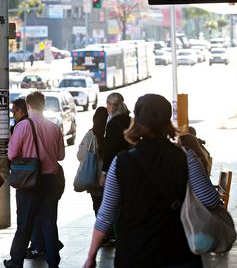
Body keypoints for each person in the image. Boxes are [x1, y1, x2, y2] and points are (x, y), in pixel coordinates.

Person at [84, 94, 221, 268]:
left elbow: (105, 215)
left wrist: (91, 256)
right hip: (177, 253)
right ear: (167, 121)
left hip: (134, 254)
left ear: (137, 121)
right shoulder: (185, 157)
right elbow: (210, 200)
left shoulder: (121, 162)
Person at [5, 91, 65, 268]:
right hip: (51, 180)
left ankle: (16, 261)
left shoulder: (22, 127)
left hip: (29, 181)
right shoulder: (54, 127)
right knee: (49, 223)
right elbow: (61, 156)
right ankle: (53, 262)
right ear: (44, 105)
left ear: (28, 106)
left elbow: (12, 154)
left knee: (25, 223)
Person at [76, 106, 108, 214]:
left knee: (98, 207)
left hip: (93, 178)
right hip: (109, 179)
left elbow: (80, 155)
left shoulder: (90, 135)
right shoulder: (111, 134)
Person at [100, 92, 131, 186]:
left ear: (110, 105)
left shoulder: (112, 123)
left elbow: (110, 149)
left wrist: (104, 173)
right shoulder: (129, 120)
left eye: (107, 104)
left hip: (116, 166)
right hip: (131, 163)